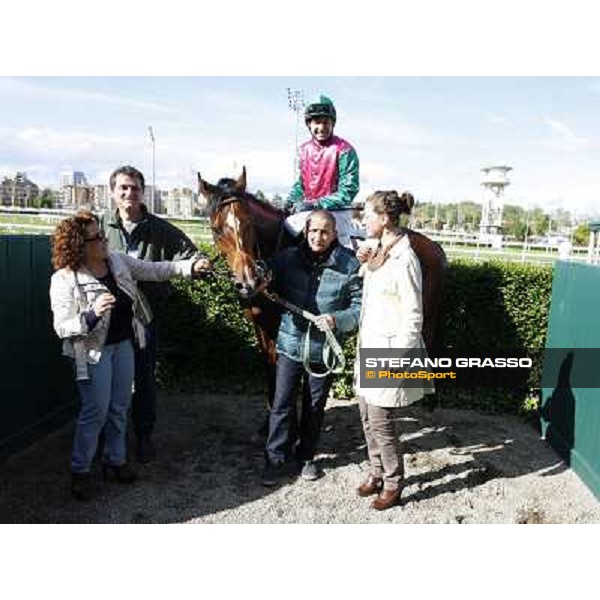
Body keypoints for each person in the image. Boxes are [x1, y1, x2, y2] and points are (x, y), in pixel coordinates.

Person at [49, 211, 210, 501]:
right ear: (78, 245)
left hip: (124, 345)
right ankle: (80, 470)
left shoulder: (117, 261)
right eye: (95, 237)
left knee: (120, 405)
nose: (102, 239)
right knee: (95, 411)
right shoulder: (65, 279)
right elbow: (62, 327)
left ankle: (115, 461)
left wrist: (190, 266)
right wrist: (91, 315)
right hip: (92, 353)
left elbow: (155, 269)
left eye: (100, 233)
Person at [100, 165, 204, 462]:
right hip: (106, 321)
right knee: (108, 381)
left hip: (145, 319)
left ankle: (143, 435)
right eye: (123, 187)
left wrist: (197, 264)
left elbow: (191, 254)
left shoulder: (159, 228)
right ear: (113, 192)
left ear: (142, 192)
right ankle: (107, 438)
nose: (129, 193)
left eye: (134, 188)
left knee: (144, 377)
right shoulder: (101, 225)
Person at [261, 210, 362, 486]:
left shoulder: (349, 264)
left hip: (323, 351)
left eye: (325, 232)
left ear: (334, 234)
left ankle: (306, 457)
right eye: (313, 231)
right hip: (290, 344)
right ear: (306, 231)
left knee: (314, 406)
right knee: (281, 403)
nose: (318, 237)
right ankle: (275, 457)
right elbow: (264, 272)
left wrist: (336, 319)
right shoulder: (287, 258)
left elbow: (358, 308)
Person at [354, 191, 434, 510]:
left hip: (389, 352)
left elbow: (414, 314)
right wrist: (365, 261)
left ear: (385, 219)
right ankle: (375, 472)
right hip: (369, 344)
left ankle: (393, 482)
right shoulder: (379, 250)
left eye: (367, 215)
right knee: (365, 416)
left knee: (381, 421)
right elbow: (371, 289)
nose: (363, 220)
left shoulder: (406, 258)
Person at [285, 95, 360, 248]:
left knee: (339, 246)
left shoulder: (345, 150)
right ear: (309, 124)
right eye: (317, 122)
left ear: (333, 124)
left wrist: (316, 204)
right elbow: (301, 184)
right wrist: (290, 201)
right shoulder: (303, 150)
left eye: (326, 122)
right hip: (308, 213)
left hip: (337, 213)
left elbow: (348, 190)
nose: (321, 127)